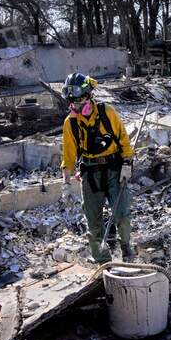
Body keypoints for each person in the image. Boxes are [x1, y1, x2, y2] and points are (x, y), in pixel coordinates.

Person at [60, 72, 135, 264]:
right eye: (73, 104)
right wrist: (66, 183)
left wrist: (127, 163)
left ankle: (126, 248)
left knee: (122, 214)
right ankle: (102, 260)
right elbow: (68, 156)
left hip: (114, 169)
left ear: (88, 96)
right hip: (90, 174)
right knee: (93, 220)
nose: (76, 107)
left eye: (79, 102)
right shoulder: (71, 123)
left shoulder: (107, 112)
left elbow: (124, 140)